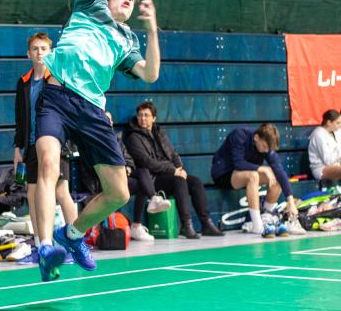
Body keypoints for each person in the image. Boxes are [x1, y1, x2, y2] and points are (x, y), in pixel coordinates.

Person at [35, 0, 160, 281]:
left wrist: (152, 29)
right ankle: (45, 248)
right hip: (57, 95)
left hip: (91, 108)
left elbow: (150, 75)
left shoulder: (127, 40)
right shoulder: (88, 4)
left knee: (119, 192)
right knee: (49, 165)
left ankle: (71, 235)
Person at [13, 32, 78, 263]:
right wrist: (18, 148)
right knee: (33, 195)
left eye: (43, 49)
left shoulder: (58, 79)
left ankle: (75, 244)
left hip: (56, 145)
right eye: (35, 49)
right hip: (31, 146)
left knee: (61, 193)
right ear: (28, 54)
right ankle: (41, 246)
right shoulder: (23, 82)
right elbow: (20, 117)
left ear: (50, 53)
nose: (39, 52)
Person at [125, 101, 223, 239]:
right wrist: (173, 171)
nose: (142, 118)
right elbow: (146, 162)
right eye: (140, 115)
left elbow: (173, 153)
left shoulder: (160, 133)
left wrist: (180, 168)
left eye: (146, 115)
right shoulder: (133, 137)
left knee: (195, 182)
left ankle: (206, 223)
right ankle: (186, 225)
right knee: (178, 181)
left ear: (154, 118)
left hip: (168, 173)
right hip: (152, 179)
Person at [79, 111, 171, 241]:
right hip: (101, 182)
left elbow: (128, 159)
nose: (108, 123)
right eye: (105, 120)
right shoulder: (91, 141)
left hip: (119, 176)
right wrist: (120, 170)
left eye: (110, 120)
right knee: (142, 178)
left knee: (143, 178)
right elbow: (95, 168)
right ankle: (153, 199)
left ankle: (138, 224)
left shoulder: (116, 139)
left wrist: (127, 168)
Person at [211, 124, 298, 234]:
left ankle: (266, 217)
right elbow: (238, 163)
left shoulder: (265, 147)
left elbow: (280, 171)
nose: (266, 151)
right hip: (223, 173)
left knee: (276, 175)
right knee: (253, 175)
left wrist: (291, 201)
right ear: (256, 137)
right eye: (264, 146)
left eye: (268, 149)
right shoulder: (239, 135)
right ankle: (257, 225)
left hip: (246, 174)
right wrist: (262, 169)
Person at [308, 109, 341, 184]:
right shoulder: (318, 134)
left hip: (336, 166)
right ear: (329, 122)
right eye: (337, 123)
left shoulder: (335, 133)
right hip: (320, 169)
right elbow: (328, 160)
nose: (340, 125)